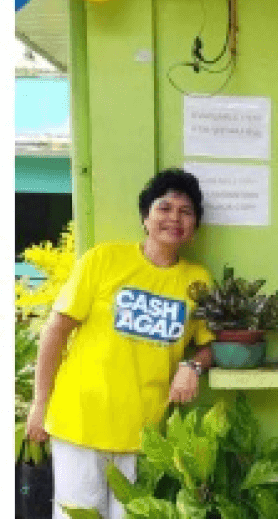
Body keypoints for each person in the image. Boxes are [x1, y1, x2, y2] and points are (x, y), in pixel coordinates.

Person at [25, 168, 215, 519]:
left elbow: (211, 344)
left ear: (194, 229)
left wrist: (192, 366)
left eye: (186, 212)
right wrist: (40, 403)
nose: (174, 217)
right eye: (165, 208)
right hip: (80, 423)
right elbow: (56, 330)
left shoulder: (197, 281)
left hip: (144, 434)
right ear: (145, 218)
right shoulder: (104, 259)